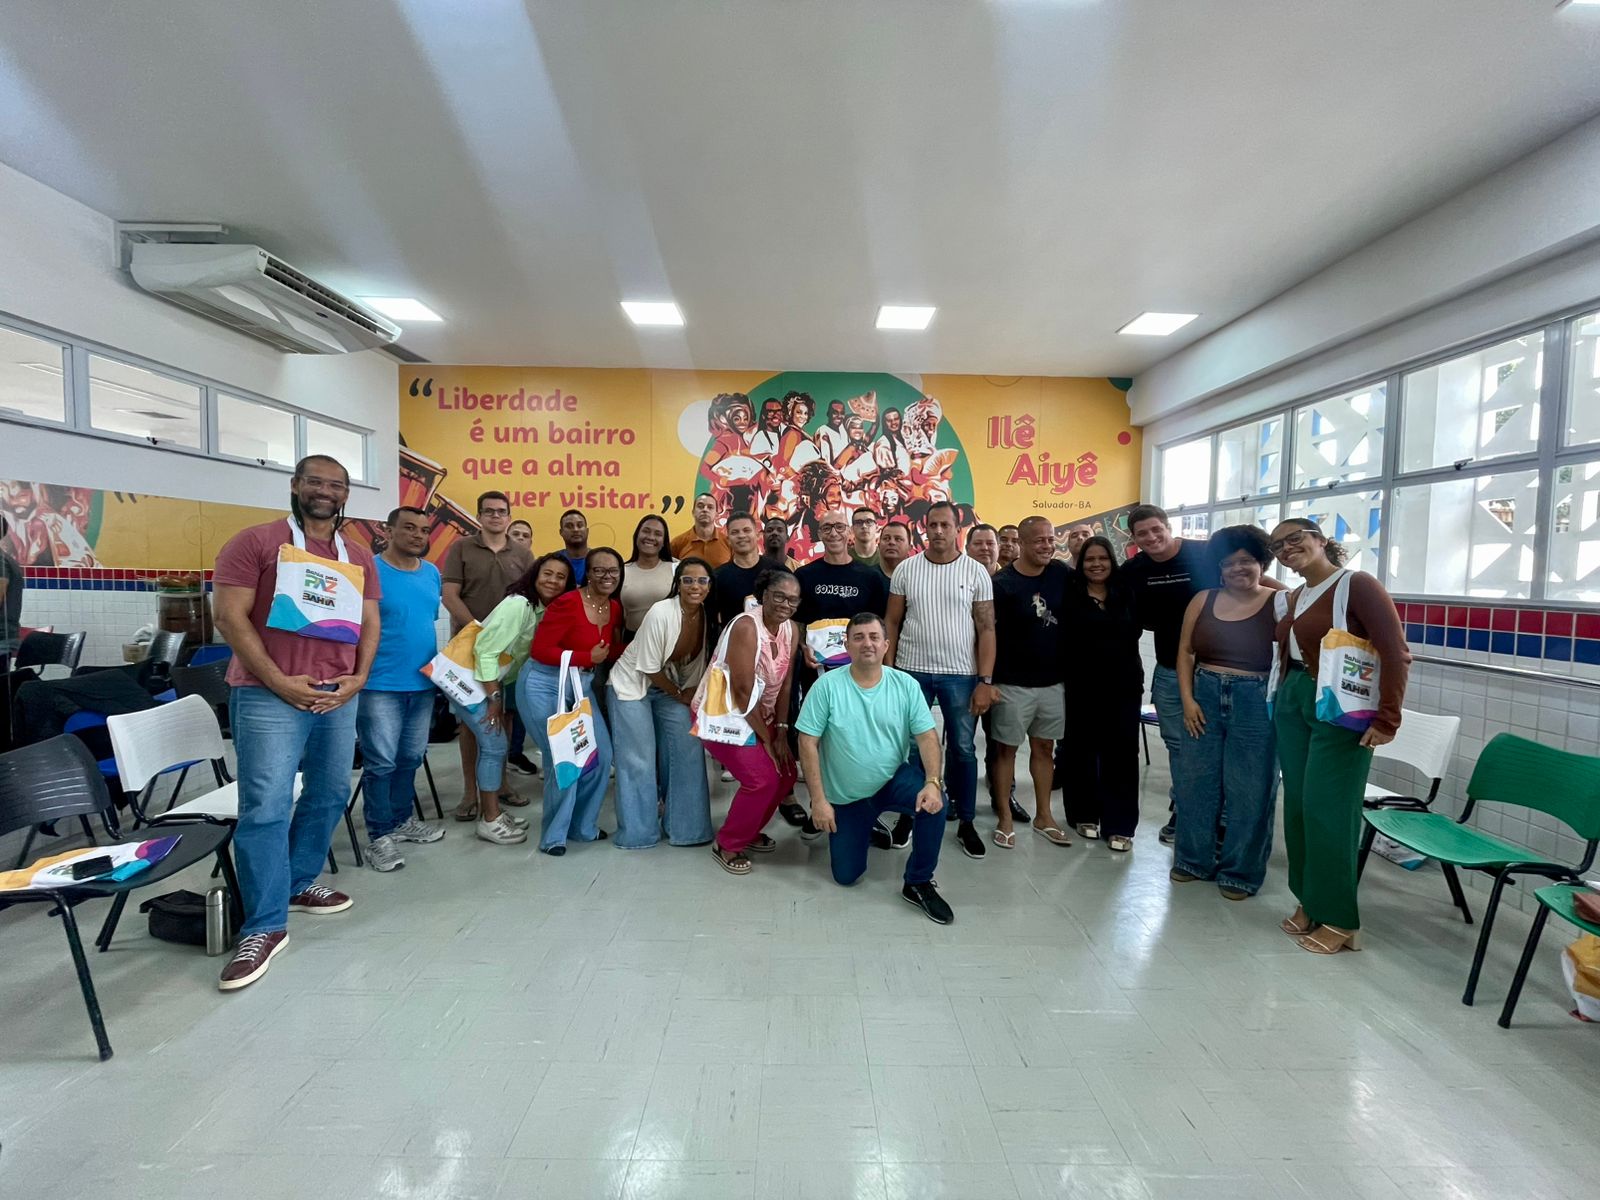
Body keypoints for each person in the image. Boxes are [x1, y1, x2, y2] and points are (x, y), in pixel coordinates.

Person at [211, 455, 379, 990]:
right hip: (267, 695)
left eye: (336, 485)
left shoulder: (356, 553)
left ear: (347, 494)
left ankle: (298, 880)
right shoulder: (255, 542)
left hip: (337, 694)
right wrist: (280, 681)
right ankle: (263, 927)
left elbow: (369, 619)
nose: (325, 491)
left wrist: (359, 677)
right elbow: (229, 617)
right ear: (295, 486)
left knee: (330, 792)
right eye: (316, 482)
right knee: (265, 805)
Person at [1270, 518, 1407, 955]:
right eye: (1278, 545)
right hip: (1294, 699)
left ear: (1320, 540)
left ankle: (1341, 918)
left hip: (1342, 707)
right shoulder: (1295, 596)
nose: (1287, 548)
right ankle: (1310, 899)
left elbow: (1395, 651)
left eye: (1296, 539)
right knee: (1298, 807)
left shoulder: (1357, 585)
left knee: (1329, 810)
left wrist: (1388, 719)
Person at [798, 613, 954, 925]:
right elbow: (807, 743)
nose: (866, 643)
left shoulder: (904, 685)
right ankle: (866, 823)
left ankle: (918, 882)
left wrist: (933, 782)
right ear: (847, 645)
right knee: (846, 876)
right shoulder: (826, 687)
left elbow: (926, 736)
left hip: (892, 779)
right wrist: (818, 801)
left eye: (873, 637)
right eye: (858, 637)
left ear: (886, 644)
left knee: (936, 805)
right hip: (846, 794)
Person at [1172, 526, 1281, 899]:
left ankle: (1240, 872)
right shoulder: (1203, 599)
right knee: (1195, 783)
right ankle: (1192, 860)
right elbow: (1185, 652)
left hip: (1256, 701)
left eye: (1247, 561)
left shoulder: (1280, 600)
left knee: (1251, 789)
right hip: (1204, 694)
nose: (1238, 568)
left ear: (1262, 563)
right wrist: (1187, 700)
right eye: (1229, 562)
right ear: (1218, 567)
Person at [884, 499, 996, 860]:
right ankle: (909, 816)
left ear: (957, 527)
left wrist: (985, 679)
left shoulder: (976, 572)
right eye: (932, 525)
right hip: (911, 671)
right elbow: (892, 623)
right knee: (914, 749)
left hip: (961, 675)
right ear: (924, 527)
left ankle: (965, 820)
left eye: (945, 525)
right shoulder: (906, 570)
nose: (938, 532)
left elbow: (986, 628)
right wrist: (889, 671)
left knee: (963, 747)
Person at [455, 553, 576, 846]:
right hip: (474, 682)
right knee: (495, 746)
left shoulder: (539, 609)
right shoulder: (519, 605)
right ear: (534, 575)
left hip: (489, 682)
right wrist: (495, 697)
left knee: (496, 746)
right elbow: (485, 651)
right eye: (547, 574)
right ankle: (490, 820)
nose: (553, 581)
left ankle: (492, 810)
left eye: (561, 577)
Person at [1120, 504, 1220, 845]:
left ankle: (1219, 817)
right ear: (1134, 539)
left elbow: (1251, 578)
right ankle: (1185, 810)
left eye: (1155, 529)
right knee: (1178, 745)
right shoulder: (1133, 570)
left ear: (1168, 526)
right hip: (1169, 670)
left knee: (1216, 743)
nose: (1151, 538)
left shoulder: (1205, 553)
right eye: (1142, 534)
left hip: (1218, 667)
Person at [356, 506, 446, 873]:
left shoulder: (432, 573)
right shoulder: (370, 571)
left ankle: (400, 820)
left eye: (424, 531)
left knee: (410, 756)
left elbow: (425, 623)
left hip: (422, 683)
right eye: (408, 528)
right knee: (381, 762)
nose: (418, 536)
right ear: (388, 530)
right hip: (380, 683)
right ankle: (378, 836)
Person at [523, 546, 624, 854]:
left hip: (580, 685)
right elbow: (539, 649)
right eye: (599, 570)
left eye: (613, 572)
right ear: (587, 574)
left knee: (601, 756)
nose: (607, 577)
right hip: (544, 684)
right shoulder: (567, 603)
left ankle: (582, 826)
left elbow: (607, 650)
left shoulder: (614, 607)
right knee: (564, 760)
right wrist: (585, 657)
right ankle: (554, 836)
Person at [609, 557, 714, 848]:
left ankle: (688, 829)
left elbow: (695, 667)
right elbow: (648, 667)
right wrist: (680, 695)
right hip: (632, 685)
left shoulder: (705, 615)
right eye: (688, 580)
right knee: (639, 757)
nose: (695, 586)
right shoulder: (660, 611)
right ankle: (638, 834)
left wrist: (689, 695)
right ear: (677, 584)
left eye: (702, 580)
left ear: (709, 586)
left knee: (689, 745)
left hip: (668, 686)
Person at [700, 569, 800, 875]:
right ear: (763, 596)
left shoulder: (791, 629)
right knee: (762, 779)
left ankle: (748, 829)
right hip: (723, 714)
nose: (786, 604)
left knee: (786, 774)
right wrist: (768, 742)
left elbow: (785, 682)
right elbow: (742, 692)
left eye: (793, 599)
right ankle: (728, 843)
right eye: (779, 596)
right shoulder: (746, 626)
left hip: (758, 714)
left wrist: (781, 731)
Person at [441, 491, 533, 818]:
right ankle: (470, 792)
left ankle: (502, 783)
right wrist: (478, 632)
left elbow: (530, 600)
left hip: (508, 657)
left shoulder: (522, 554)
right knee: (470, 722)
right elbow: (450, 594)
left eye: (501, 511)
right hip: (468, 650)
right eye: (489, 511)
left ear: (509, 516)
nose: (495, 516)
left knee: (504, 718)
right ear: (479, 516)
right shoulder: (461, 548)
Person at [989, 516, 1073, 848]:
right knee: (1005, 751)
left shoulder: (1061, 574)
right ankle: (1005, 818)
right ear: (1021, 543)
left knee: (1044, 748)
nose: (1047, 546)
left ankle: (1044, 816)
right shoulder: (1002, 583)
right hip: (1012, 684)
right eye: (1039, 540)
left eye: (1051, 540)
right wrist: (988, 680)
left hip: (1052, 682)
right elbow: (988, 634)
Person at [1061, 536, 1144, 852]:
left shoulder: (1127, 592)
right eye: (1089, 559)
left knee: (1122, 754)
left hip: (1123, 684)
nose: (1096, 564)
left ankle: (1120, 824)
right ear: (1081, 564)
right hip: (1081, 684)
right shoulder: (1070, 593)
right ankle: (1084, 814)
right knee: (1081, 750)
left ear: (1112, 560)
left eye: (1102, 558)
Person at [711, 512, 776, 630]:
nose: (741, 536)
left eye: (746, 530)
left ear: (757, 535)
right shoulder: (718, 577)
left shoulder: (779, 571)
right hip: (734, 644)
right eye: (735, 532)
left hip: (775, 643)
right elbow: (712, 619)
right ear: (728, 540)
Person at [621, 514, 676, 636]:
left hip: (667, 641)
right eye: (646, 531)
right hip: (631, 641)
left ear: (663, 542)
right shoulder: (621, 571)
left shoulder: (676, 568)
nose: (651, 537)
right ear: (636, 536)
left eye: (658, 534)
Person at [671, 493, 732, 568]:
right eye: (700, 506)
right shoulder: (677, 543)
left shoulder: (728, 543)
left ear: (716, 514)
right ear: (693, 512)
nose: (705, 510)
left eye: (710, 507)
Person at [557, 509, 591, 585]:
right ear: (561, 532)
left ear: (587, 530)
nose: (575, 530)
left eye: (580, 525)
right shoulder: (553, 560)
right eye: (569, 526)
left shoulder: (598, 560)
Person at [876, 519, 911, 583]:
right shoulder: (866, 577)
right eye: (886, 538)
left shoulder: (919, 578)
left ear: (909, 547)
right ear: (879, 545)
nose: (891, 542)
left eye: (898, 539)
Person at [816, 400, 850, 464]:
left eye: (842, 413)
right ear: (828, 414)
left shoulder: (844, 429)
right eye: (835, 413)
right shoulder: (823, 430)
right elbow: (826, 461)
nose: (839, 416)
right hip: (834, 471)